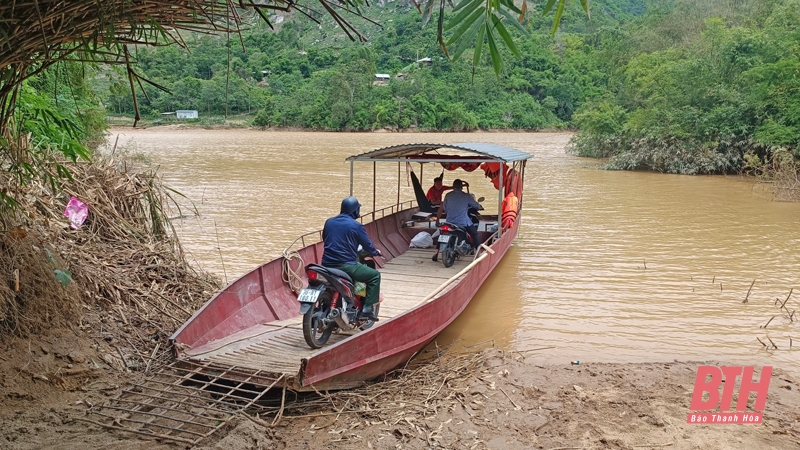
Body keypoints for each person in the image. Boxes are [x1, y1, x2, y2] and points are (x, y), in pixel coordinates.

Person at [321, 196, 383, 320]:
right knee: (375, 276)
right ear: (355, 211)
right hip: (346, 266)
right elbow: (367, 245)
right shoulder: (356, 226)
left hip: (326, 264)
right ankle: (366, 310)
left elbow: (325, 238)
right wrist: (375, 252)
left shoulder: (329, 222)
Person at [432, 179, 483, 262]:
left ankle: (436, 252)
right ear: (461, 187)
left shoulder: (448, 195)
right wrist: (480, 206)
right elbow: (475, 205)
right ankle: (479, 253)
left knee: (442, 234)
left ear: (453, 187)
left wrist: (440, 218)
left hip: (449, 221)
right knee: (474, 234)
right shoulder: (466, 196)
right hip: (462, 222)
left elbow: (444, 207)